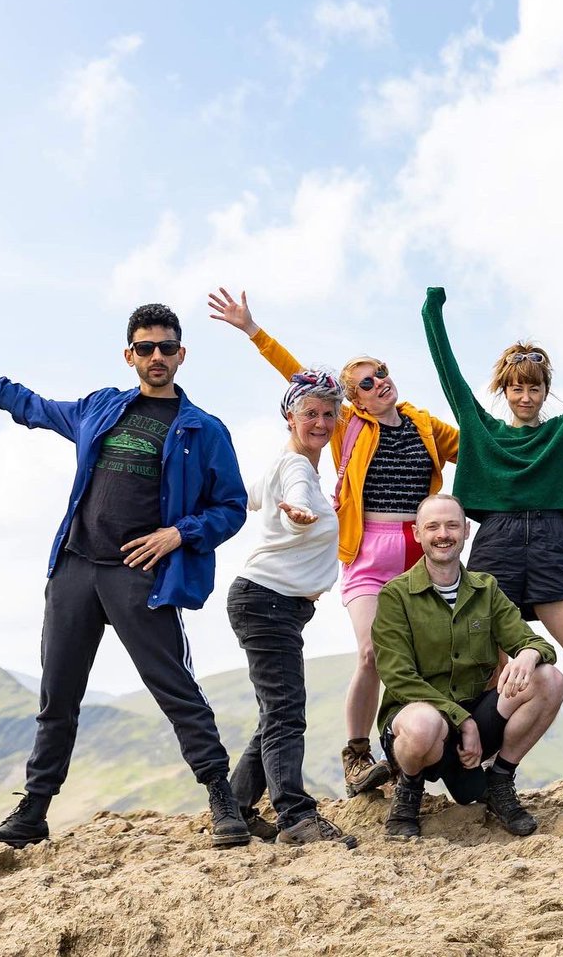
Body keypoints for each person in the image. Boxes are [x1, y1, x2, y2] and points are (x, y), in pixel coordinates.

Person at [0, 304, 250, 849]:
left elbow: (232, 507)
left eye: (167, 347)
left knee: (175, 687)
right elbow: (34, 408)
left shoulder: (204, 429)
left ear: (181, 355)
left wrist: (180, 533)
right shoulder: (100, 408)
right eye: (145, 348)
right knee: (58, 696)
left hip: (140, 576)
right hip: (75, 567)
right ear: (130, 356)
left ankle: (222, 797)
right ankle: (33, 811)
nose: (156, 357)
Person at [208, 288, 458, 797]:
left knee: (425, 657)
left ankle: (417, 753)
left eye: (382, 373)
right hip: (367, 552)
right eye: (366, 382)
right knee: (370, 653)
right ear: (355, 398)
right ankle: (356, 753)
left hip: (418, 552)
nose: (379, 383)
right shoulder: (345, 425)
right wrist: (255, 332)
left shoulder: (424, 423)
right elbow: (300, 380)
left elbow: (477, 447)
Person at [421, 268, 563, 806]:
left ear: (546, 391)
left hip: (551, 545)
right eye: (516, 387)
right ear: (503, 390)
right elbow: (447, 371)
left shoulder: (562, 430)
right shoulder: (481, 430)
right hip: (496, 545)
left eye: (534, 387)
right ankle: (484, 773)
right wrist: (433, 308)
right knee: (493, 674)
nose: (525, 396)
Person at [372, 494, 563, 838]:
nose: (442, 534)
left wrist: (528, 654)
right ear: (417, 533)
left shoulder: (486, 589)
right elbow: (397, 676)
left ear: (467, 531)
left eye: (451, 525)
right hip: (421, 718)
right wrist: (462, 722)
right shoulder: (395, 595)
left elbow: (536, 643)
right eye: (432, 526)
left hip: (475, 719)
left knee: (548, 679)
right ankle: (409, 789)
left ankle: (500, 780)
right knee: (422, 726)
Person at [226, 370, 356, 848]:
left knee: (274, 713)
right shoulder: (298, 469)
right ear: (290, 417)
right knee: (285, 714)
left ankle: (234, 812)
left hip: (269, 603)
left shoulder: (288, 463)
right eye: (309, 413)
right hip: (268, 601)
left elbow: (249, 496)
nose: (320, 421)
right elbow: (291, 496)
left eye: (328, 413)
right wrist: (298, 510)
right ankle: (296, 819)